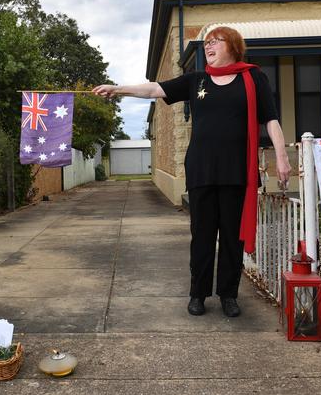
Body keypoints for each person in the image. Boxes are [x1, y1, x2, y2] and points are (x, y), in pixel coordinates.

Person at [93, 26, 291, 317]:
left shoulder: (253, 78)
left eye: (216, 42)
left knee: (233, 240)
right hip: (201, 171)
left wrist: (282, 157)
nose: (208, 47)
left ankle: (228, 295)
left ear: (233, 46)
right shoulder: (196, 80)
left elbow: (271, 119)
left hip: (237, 172)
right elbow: (155, 89)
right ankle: (197, 294)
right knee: (202, 235)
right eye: (206, 43)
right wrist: (118, 88)